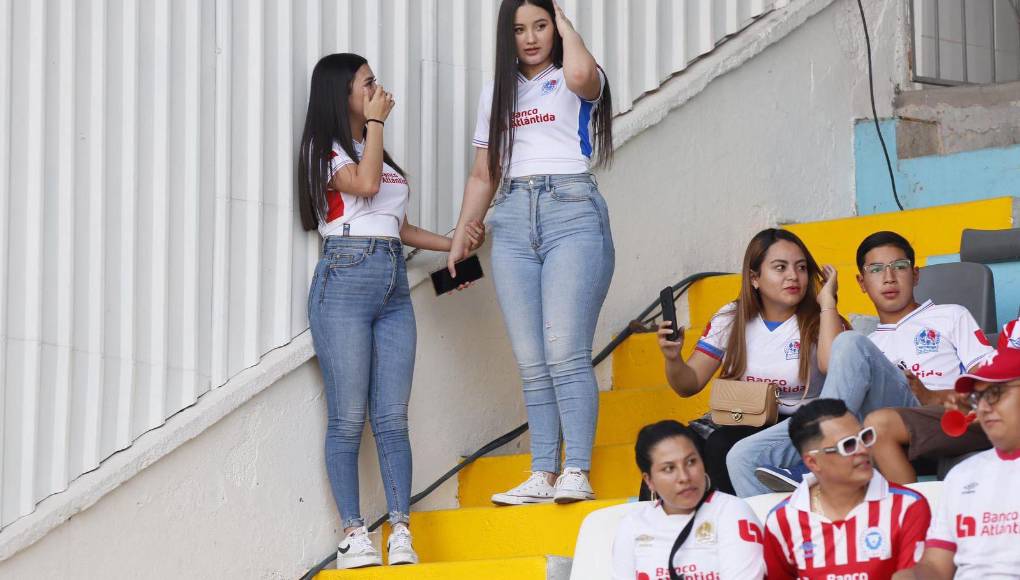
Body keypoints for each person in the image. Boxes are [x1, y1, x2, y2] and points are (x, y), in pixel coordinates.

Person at [297, 53, 484, 569]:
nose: (378, 91)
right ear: (341, 94)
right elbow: (365, 186)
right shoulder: (325, 149)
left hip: (392, 282)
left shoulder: (372, 147)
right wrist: (377, 123)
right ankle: (354, 535)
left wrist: (454, 245)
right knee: (347, 419)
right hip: (344, 279)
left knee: (392, 416)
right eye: (368, 84)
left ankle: (401, 530)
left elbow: (397, 227)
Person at [447, 0, 616, 506]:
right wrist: (462, 234)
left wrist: (567, 25)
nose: (531, 38)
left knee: (565, 350)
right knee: (531, 358)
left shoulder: (575, 73)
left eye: (541, 26)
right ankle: (542, 471)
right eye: (520, 29)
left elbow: (582, 74)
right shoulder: (496, 92)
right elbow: (484, 172)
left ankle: (576, 469)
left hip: (572, 210)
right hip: (513, 217)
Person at [749, 231, 994, 495]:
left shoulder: (951, 315)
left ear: (915, 275)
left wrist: (933, 395)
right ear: (862, 282)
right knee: (744, 455)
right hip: (880, 427)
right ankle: (784, 518)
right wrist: (828, 302)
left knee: (851, 345)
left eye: (899, 266)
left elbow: (991, 384)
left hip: (942, 414)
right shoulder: (867, 345)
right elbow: (834, 369)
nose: (889, 278)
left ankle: (822, 457)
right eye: (876, 269)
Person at [657, 228, 844, 494]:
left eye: (801, 267)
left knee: (722, 444)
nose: (793, 276)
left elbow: (833, 366)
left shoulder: (821, 319)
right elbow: (689, 384)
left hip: (799, 424)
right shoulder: (731, 317)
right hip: (743, 416)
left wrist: (827, 304)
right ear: (754, 278)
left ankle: (739, 516)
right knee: (667, 447)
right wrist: (673, 358)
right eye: (780, 267)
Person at [764, 399, 931, 579]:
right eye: (848, 445)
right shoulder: (782, 520)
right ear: (813, 462)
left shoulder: (908, 506)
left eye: (865, 437)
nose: (863, 450)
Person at [894, 347, 1020, 579]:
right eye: (978, 398)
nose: (984, 407)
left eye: (995, 393)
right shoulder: (962, 475)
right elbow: (935, 565)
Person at [611, 420, 765, 580]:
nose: (684, 477)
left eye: (691, 462)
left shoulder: (732, 512)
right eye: (669, 468)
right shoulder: (632, 526)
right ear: (649, 480)